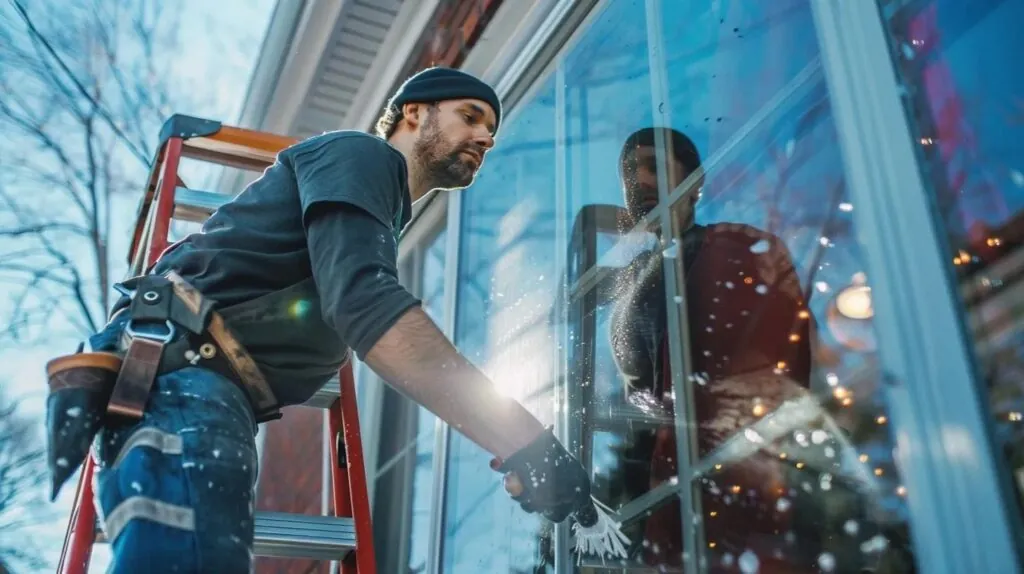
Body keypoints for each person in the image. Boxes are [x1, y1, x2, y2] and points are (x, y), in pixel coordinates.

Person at [45, 67, 592, 573]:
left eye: (491, 131)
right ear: (413, 113)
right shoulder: (362, 157)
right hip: (181, 379)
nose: (485, 137)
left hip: (200, 388)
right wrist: (525, 441)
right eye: (470, 116)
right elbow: (366, 308)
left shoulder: (373, 216)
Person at [608, 127, 814, 570]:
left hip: (733, 475)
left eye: (654, 168)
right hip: (649, 493)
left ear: (695, 181)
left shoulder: (739, 248)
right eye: (628, 173)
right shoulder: (628, 278)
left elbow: (783, 373)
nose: (637, 183)